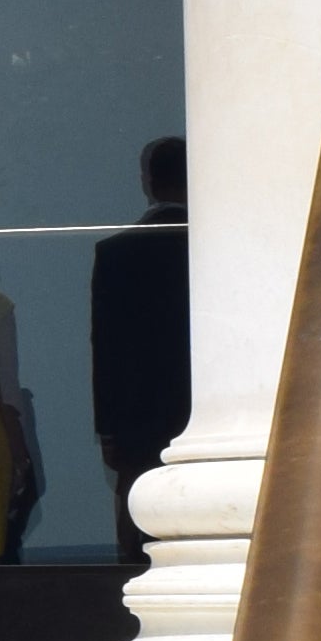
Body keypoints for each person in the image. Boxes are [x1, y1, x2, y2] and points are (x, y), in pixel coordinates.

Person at [89, 137, 192, 561]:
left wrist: (108, 429)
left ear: (147, 182)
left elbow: (106, 346)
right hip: (198, 406)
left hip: (137, 416)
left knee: (136, 525)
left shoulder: (115, 253)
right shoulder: (213, 247)